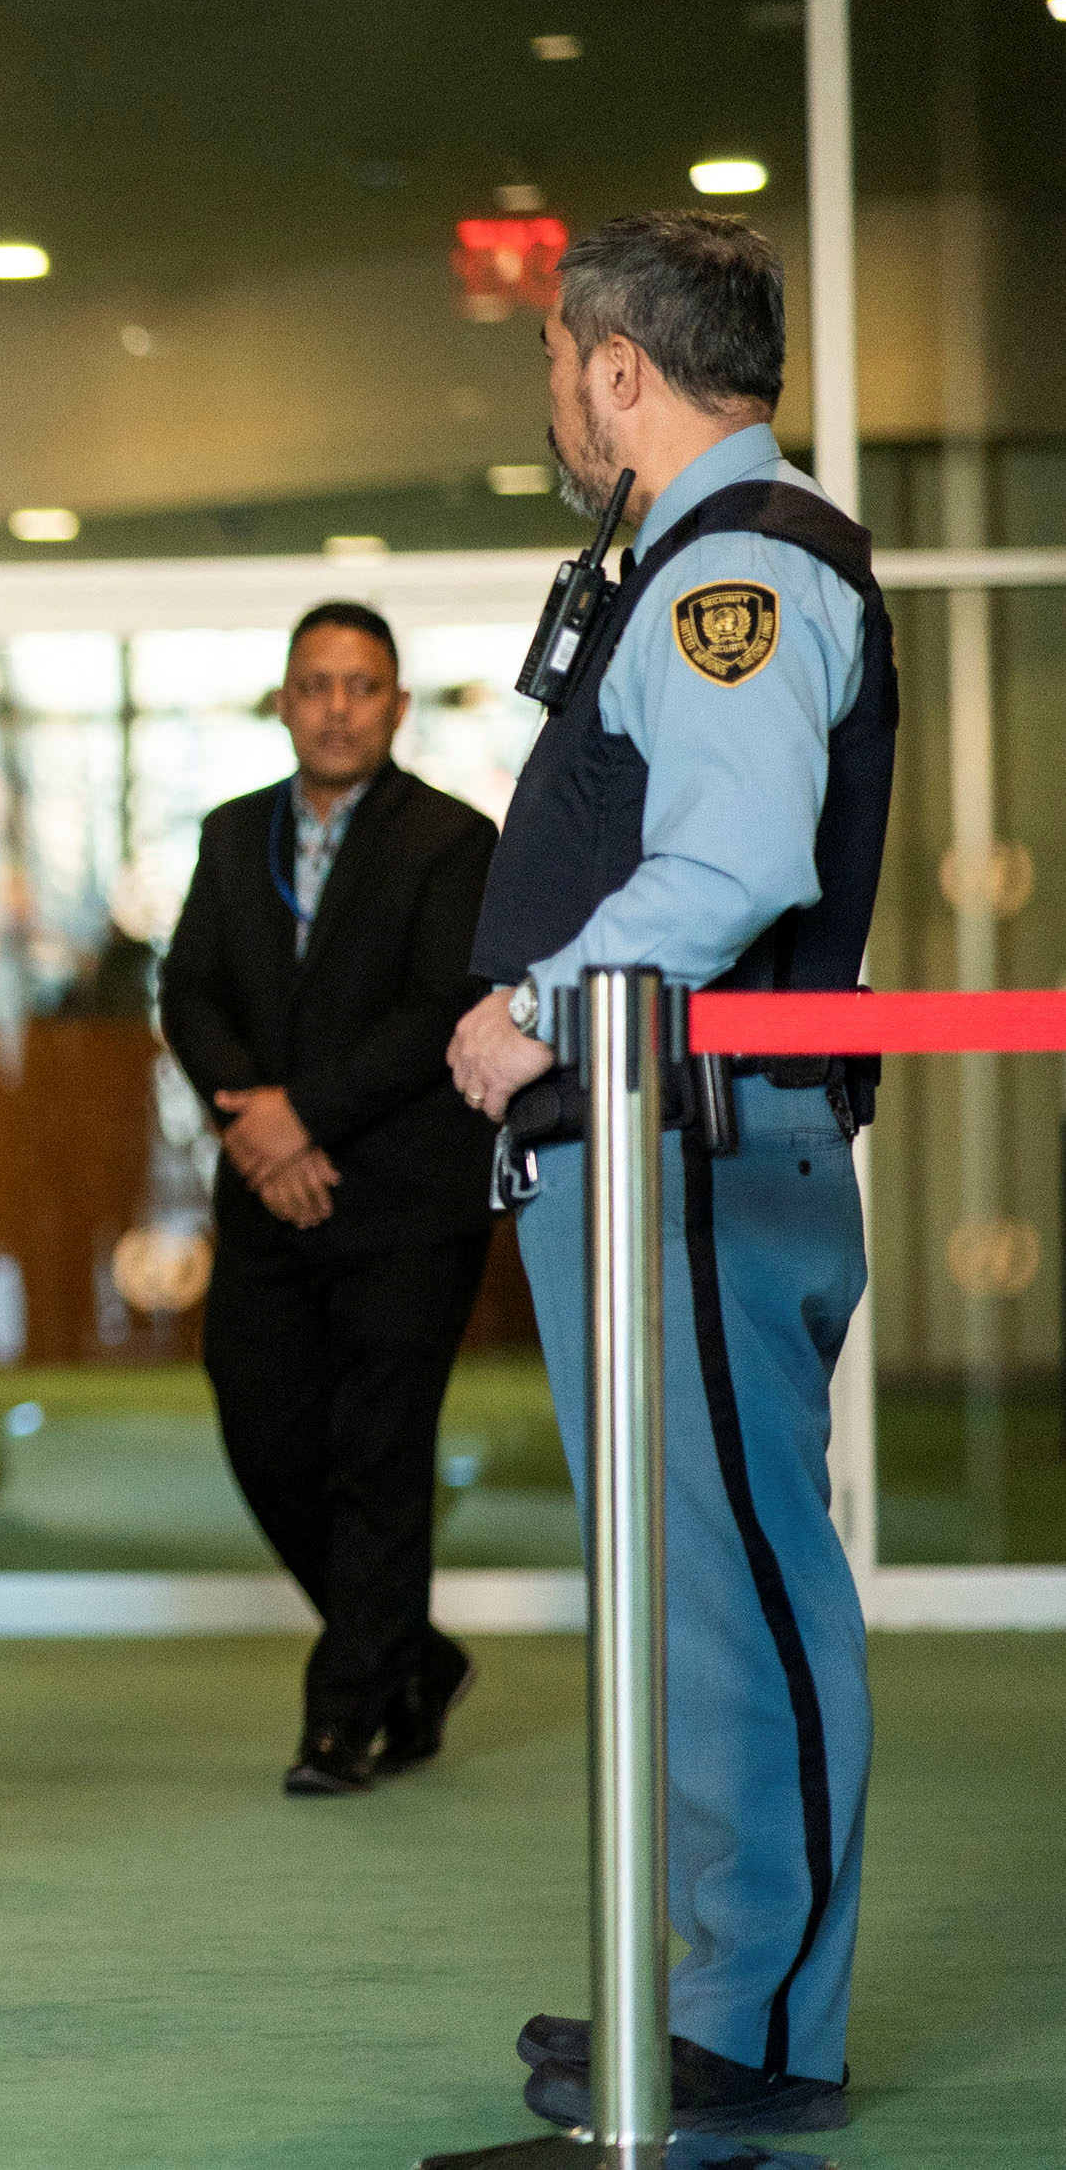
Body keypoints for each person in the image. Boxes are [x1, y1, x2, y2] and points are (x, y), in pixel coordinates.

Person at [445, 212, 893, 2140]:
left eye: (560, 364)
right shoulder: (695, 562)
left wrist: (537, 1003)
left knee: (741, 1593)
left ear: (619, 369)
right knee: (696, 1590)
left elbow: (731, 867)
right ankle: (715, 1989)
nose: (555, 399)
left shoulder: (742, 573)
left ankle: (758, 2025)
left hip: (697, 1142)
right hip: (652, 1147)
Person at [159, 603, 498, 1797]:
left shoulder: (451, 841)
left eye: (361, 685)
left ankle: (345, 1715)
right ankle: (415, 1654)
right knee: (263, 1433)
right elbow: (186, 988)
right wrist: (250, 1122)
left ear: (395, 707)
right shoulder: (226, 833)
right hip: (266, 1195)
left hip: (403, 1201)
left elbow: (436, 1008)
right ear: (284, 701)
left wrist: (295, 1113)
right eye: (315, 683)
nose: (338, 704)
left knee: (375, 1450)